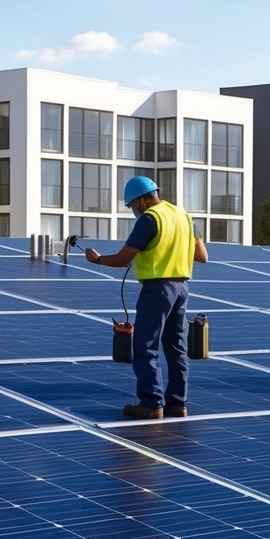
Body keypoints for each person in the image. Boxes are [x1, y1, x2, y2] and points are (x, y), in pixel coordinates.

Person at [86, 176, 209, 419]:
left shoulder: (150, 219)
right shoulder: (184, 215)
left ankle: (151, 403)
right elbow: (202, 255)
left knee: (145, 346)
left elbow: (123, 259)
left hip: (158, 290)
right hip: (182, 289)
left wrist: (97, 259)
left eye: (133, 205)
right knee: (176, 348)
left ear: (143, 200)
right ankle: (177, 403)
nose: (134, 210)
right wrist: (172, 246)